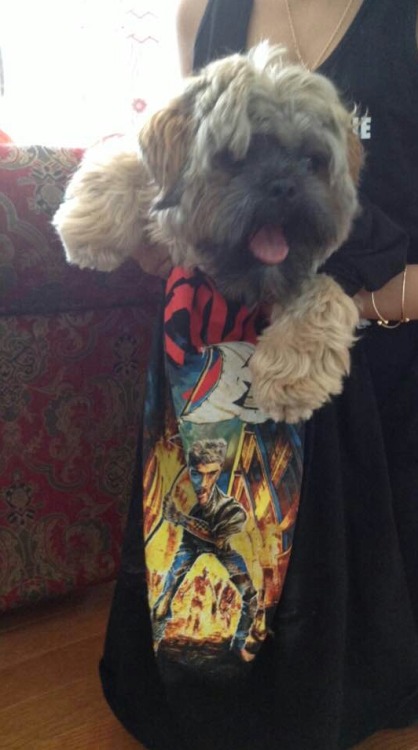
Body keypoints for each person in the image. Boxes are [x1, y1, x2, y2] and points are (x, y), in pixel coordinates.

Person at [99, 2, 418, 749]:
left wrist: (352, 302)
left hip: (376, 382)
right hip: (210, 368)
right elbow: (184, 186)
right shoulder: (201, 13)